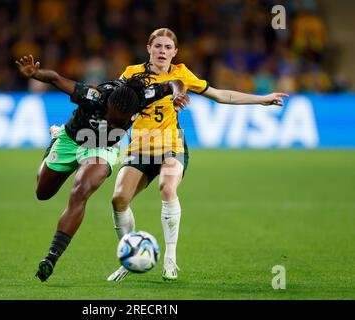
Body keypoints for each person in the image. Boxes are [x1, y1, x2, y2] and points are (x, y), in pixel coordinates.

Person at [107, 28, 289, 282]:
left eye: (168, 48)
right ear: (149, 48)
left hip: (171, 145)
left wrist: (261, 99)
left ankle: (170, 258)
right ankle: (130, 257)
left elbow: (220, 95)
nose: (162, 52)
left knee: (167, 189)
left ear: (175, 52)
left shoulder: (181, 74)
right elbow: (113, 105)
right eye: (158, 46)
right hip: (139, 147)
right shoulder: (131, 74)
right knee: (118, 199)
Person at [15, 54, 190, 282]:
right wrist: (36, 74)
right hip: (71, 140)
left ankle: (51, 257)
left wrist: (177, 94)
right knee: (43, 193)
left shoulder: (142, 97)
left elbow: (173, 83)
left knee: (81, 191)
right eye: (114, 120)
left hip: (102, 148)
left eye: (122, 122)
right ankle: (54, 140)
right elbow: (57, 79)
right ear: (107, 105)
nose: (117, 125)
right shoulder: (93, 96)